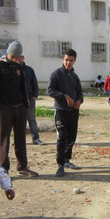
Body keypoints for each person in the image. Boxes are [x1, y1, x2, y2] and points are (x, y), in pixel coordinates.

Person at [0, 40, 38, 177]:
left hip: (20, 108)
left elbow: (24, 86)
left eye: (18, 57)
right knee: (4, 138)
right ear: (8, 54)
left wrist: (26, 104)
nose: (16, 60)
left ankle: (22, 167)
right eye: (13, 57)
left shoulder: (19, 67)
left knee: (20, 138)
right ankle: (3, 169)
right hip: (5, 108)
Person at [47, 48, 84, 177]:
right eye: (66, 60)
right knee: (62, 137)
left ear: (74, 61)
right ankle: (60, 164)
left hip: (73, 112)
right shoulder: (56, 74)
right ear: (63, 59)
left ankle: (67, 160)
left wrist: (79, 101)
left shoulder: (74, 76)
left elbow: (80, 92)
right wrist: (64, 96)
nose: (68, 62)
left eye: (71, 60)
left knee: (72, 137)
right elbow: (50, 90)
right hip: (61, 111)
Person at [23, 60, 44, 145]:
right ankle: (20, 140)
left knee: (31, 119)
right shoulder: (13, 69)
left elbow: (34, 82)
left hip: (30, 98)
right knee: (20, 121)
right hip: (19, 100)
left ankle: (36, 138)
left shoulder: (29, 70)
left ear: (23, 57)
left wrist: (35, 95)